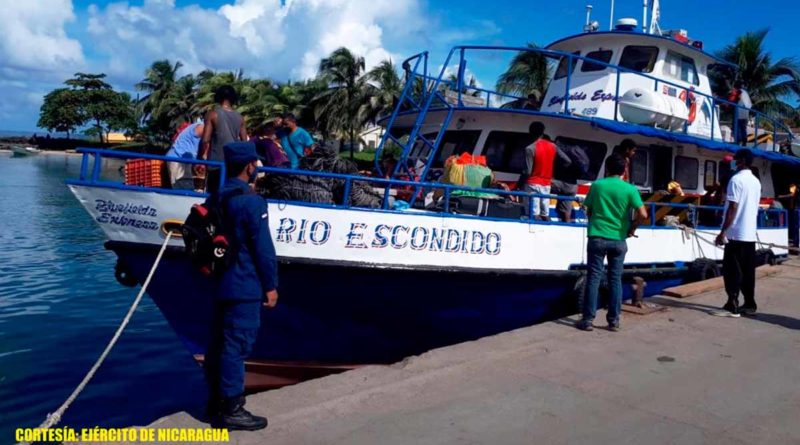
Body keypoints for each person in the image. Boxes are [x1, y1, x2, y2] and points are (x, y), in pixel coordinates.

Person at [204, 141, 278, 430]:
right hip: (245, 284)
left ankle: (215, 401)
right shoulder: (252, 201)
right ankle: (233, 409)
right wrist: (270, 286)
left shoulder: (217, 197)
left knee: (219, 345)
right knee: (237, 346)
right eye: (256, 164)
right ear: (250, 166)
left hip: (220, 282)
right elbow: (263, 250)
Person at [576, 154, 648, 332]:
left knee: (593, 278)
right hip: (618, 239)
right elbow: (644, 214)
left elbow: (588, 209)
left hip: (597, 237)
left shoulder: (598, 186)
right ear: (624, 170)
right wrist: (632, 228)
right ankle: (613, 321)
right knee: (615, 279)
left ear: (607, 169)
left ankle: (587, 320)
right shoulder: (630, 189)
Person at [713, 149, 761, 317]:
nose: (733, 162)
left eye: (734, 159)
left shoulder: (736, 180)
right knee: (748, 271)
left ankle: (732, 304)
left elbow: (733, 207)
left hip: (735, 233)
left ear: (740, 161)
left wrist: (722, 232)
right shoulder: (756, 181)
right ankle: (749, 303)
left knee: (732, 270)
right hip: (749, 233)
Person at [197, 85, 248, 194]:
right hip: (233, 164)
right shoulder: (240, 118)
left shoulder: (213, 114)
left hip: (216, 163)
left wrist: (199, 159)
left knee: (213, 197)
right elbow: (245, 143)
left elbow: (205, 140)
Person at [519, 123, 560, 221]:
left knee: (533, 214)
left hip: (533, 184)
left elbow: (527, 171)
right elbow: (566, 161)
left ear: (530, 132)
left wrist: (518, 184)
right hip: (546, 184)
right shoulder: (553, 146)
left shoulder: (530, 148)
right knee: (545, 214)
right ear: (543, 131)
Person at [551, 142, 590, 223]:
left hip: (562, 184)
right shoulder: (576, 159)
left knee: (539, 185)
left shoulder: (559, 150)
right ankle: (567, 227)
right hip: (572, 186)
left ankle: (540, 215)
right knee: (566, 211)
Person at [166, 122, 204, 189]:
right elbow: (207, 140)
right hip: (177, 158)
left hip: (185, 161)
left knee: (186, 185)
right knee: (177, 186)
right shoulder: (202, 127)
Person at [730, 81, 752, 146]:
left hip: (738, 113)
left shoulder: (738, 91)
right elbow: (750, 104)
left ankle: (737, 142)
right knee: (743, 128)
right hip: (745, 114)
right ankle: (744, 143)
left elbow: (732, 100)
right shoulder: (746, 93)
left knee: (737, 127)